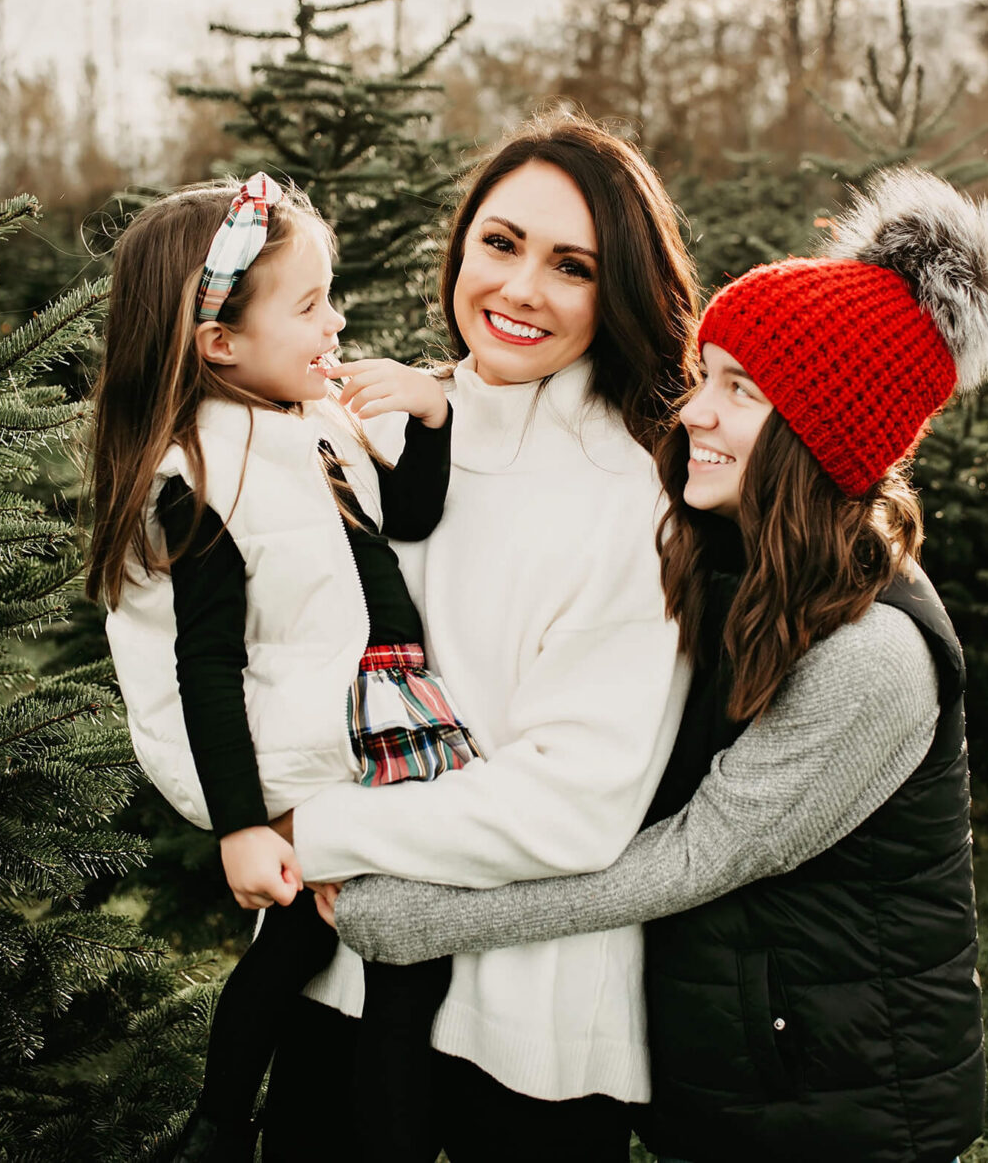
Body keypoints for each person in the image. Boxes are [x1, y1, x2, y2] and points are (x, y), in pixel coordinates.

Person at [319, 167, 988, 1163]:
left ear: (817, 435)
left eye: (739, 391)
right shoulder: (733, 557)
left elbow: (698, 852)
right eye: (704, 376)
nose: (692, 410)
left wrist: (425, 914)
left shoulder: (874, 654)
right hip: (740, 1062)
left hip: (842, 1102)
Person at [255, 112, 702, 1163]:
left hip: (524, 1031)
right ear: (459, 246)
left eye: (572, 265)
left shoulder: (635, 496)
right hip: (338, 973)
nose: (518, 288)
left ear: (619, 290)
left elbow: (572, 803)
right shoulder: (373, 429)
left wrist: (309, 831)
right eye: (499, 243)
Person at [84, 174, 475, 1163]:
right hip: (319, 743)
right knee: (335, 949)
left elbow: (413, 516)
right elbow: (203, 666)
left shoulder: (321, 419)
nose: (335, 321)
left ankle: (274, 1127)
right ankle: (223, 1120)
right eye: (309, 304)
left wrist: (431, 412)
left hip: (388, 710)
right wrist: (243, 827)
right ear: (221, 343)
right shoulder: (199, 475)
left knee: (369, 952)